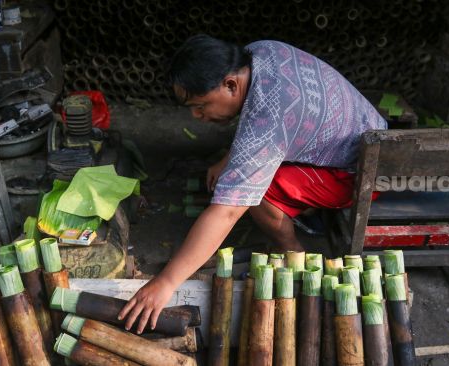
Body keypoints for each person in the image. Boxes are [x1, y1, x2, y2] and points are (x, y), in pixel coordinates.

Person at [119, 35, 387, 333]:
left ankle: (294, 252)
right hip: (367, 127)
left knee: (256, 192)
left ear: (231, 85)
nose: (197, 116)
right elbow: (260, 126)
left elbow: (227, 212)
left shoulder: (266, 120)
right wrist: (230, 158)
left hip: (359, 171)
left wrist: (166, 282)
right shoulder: (261, 51)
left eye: (201, 105)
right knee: (247, 171)